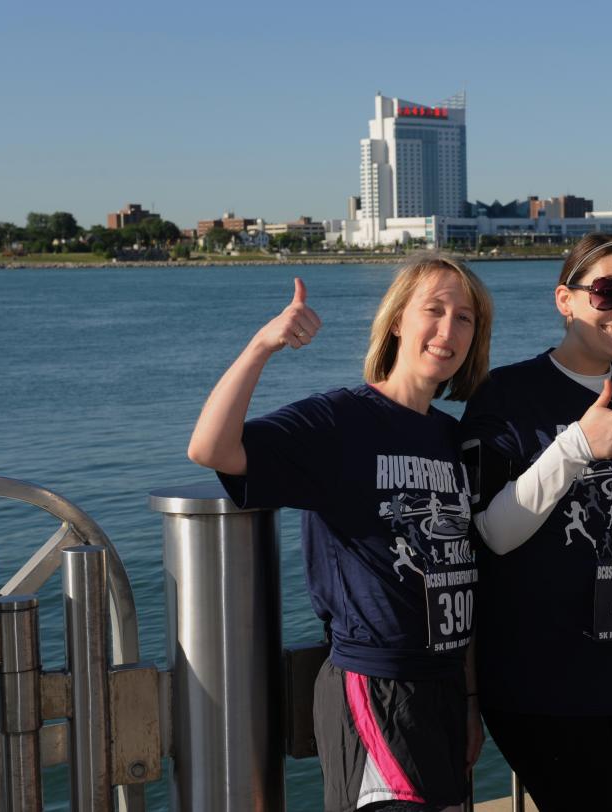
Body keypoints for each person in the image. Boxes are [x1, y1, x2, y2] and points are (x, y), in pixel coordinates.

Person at [187, 255, 493, 812]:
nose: (449, 330)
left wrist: (469, 699)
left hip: (444, 688)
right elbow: (211, 449)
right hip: (377, 690)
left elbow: (456, 572)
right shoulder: (342, 421)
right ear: (398, 319)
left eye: (465, 318)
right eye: (434, 310)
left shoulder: (453, 438)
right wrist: (262, 346)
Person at [459, 233, 612, 812]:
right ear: (566, 299)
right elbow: (493, 531)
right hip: (541, 674)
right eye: (607, 293)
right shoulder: (506, 393)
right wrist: (577, 445)